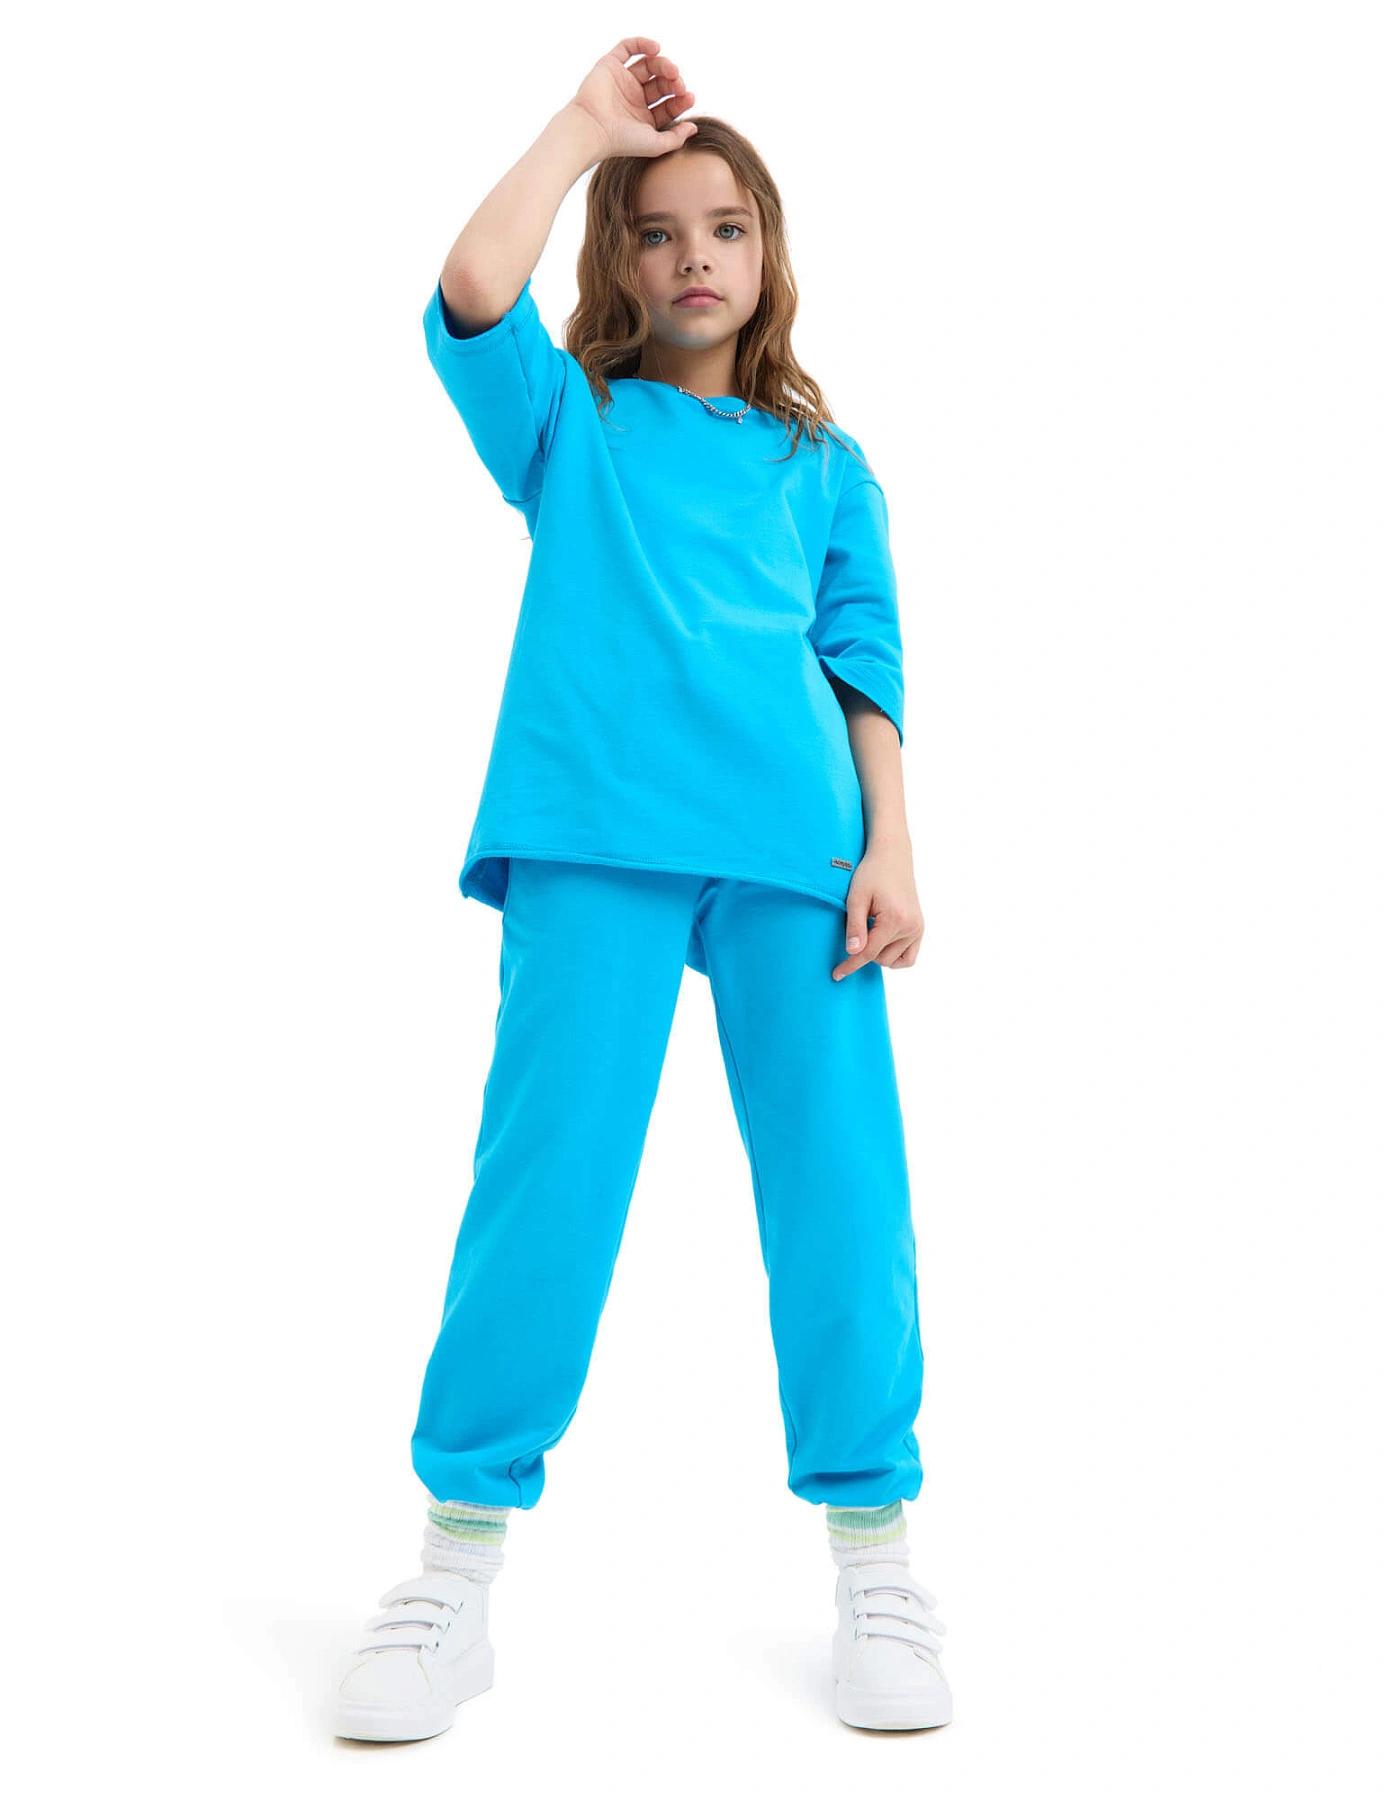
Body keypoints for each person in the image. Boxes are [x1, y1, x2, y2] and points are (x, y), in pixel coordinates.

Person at [330, 37, 950, 1741]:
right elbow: (471, 287)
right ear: (615, 255)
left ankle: (875, 1558)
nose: (693, 256)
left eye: (724, 228)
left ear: (768, 253)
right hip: (594, 832)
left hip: (797, 852)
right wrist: (582, 130)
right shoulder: (571, 424)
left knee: (842, 1195)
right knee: (546, 1189)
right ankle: (453, 1568)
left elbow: (863, 662)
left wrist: (891, 845)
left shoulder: (823, 465)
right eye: (657, 229)